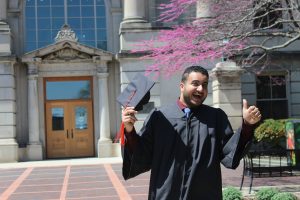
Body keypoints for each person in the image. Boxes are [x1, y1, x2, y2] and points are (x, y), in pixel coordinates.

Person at [121, 66, 261, 200]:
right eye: (195, 83)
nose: (200, 89)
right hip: (166, 194)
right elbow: (142, 154)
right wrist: (129, 130)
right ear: (182, 86)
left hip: (204, 194)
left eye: (204, 85)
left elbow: (229, 154)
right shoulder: (159, 117)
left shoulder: (216, 117)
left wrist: (247, 125)